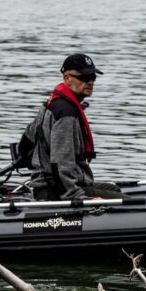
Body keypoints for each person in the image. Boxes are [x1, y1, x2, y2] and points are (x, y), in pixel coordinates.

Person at [21, 53, 122, 201]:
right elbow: (60, 164)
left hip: (52, 184)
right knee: (128, 204)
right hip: (54, 191)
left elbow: (25, 144)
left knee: (114, 189)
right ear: (67, 78)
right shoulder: (66, 113)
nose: (90, 82)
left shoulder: (52, 103)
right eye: (83, 78)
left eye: (93, 77)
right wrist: (79, 198)